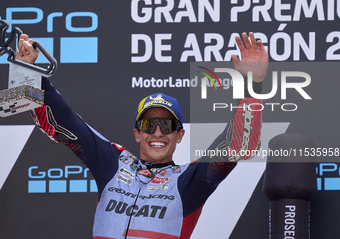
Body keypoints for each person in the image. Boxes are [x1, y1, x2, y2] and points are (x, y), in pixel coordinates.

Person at [17, 32, 268, 239]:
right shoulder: (114, 163)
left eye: (166, 125)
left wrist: (251, 85)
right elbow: (64, 123)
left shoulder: (188, 182)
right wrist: (28, 72)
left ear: (179, 135)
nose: (157, 133)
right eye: (149, 125)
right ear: (137, 134)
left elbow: (237, 147)